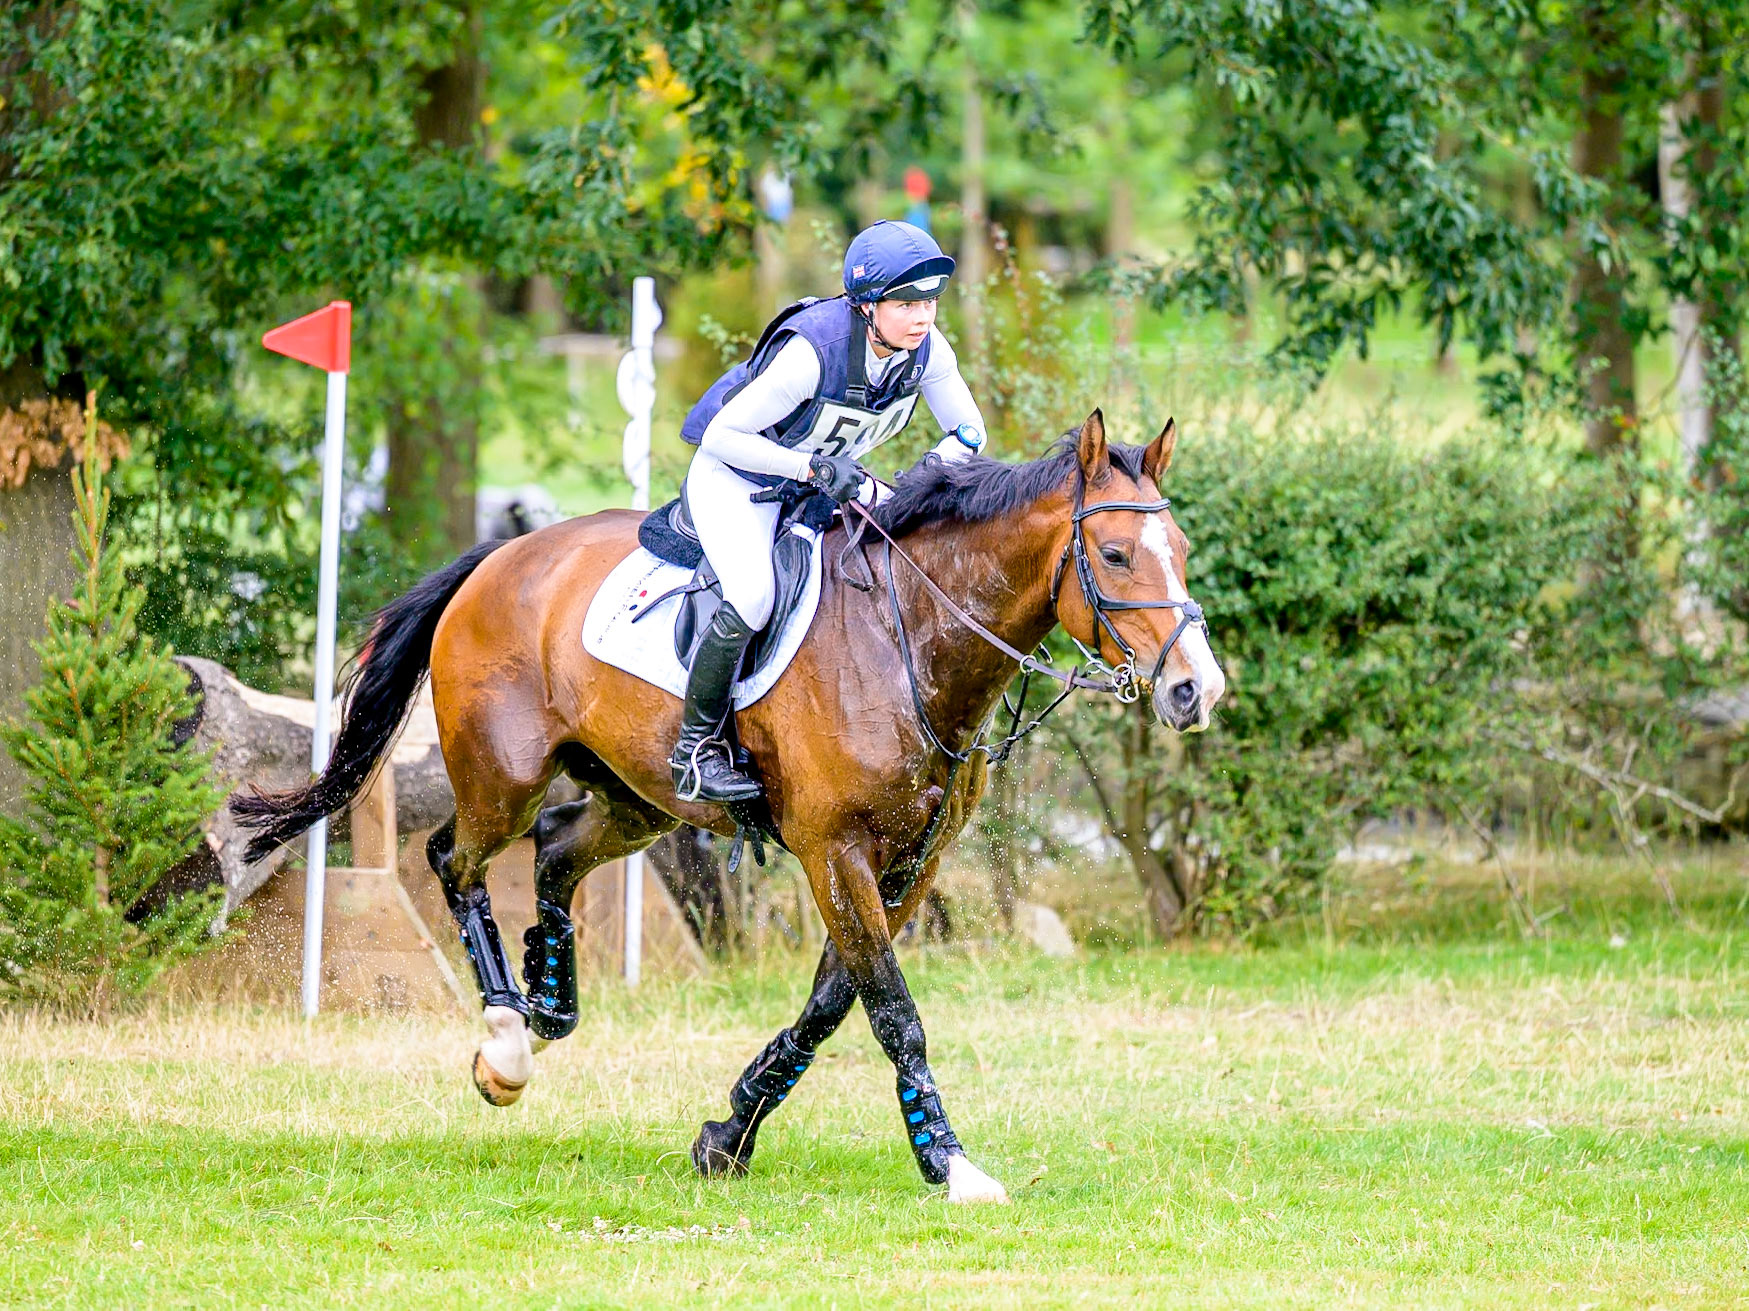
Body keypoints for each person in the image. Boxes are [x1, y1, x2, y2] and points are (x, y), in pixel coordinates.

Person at [669, 218, 991, 803]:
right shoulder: (812, 355)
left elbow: (969, 432)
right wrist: (812, 469)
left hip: (824, 484)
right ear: (867, 306)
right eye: (906, 302)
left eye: (931, 302)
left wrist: (926, 471)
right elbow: (720, 438)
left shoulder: (925, 351)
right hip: (739, 477)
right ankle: (696, 751)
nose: (922, 317)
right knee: (753, 596)